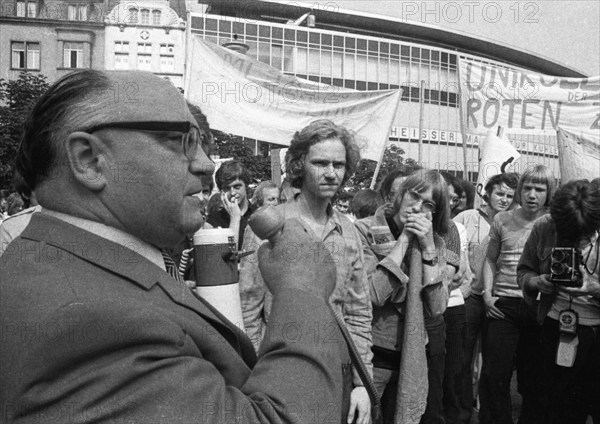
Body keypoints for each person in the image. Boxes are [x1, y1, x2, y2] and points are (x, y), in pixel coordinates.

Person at [0, 69, 351, 423]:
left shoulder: (73, 270)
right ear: (89, 160)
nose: (205, 164)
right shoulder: (87, 322)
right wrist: (301, 289)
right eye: (178, 140)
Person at [238, 119, 375, 424]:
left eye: (338, 164)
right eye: (320, 162)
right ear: (299, 165)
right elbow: (248, 310)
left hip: (337, 370)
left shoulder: (348, 231)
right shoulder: (268, 226)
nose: (330, 172)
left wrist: (361, 382)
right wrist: (263, 372)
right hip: (284, 369)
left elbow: (358, 312)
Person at [355, 170, 452, 424]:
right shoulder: (362, 230)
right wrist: (406, 239)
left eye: (429, 204)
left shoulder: (436, 243)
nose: (418, 207)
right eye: (414, 195)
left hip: (411, 356)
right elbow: (374, 293)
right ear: (400, 194)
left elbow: (437, 307)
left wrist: (428, 247)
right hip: (369, 356)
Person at [518, 179, 600, 424]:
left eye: (582, 236)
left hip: (596, 331)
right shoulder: (545, 226)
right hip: (555, 328)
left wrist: (596, 289)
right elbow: (524, 271)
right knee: (559, 409)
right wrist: (536, 282)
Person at [479, 165, 555, 424]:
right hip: (503, 306)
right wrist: (487, 295)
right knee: (493, 375)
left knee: (532, 377)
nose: (533, 194)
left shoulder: (552, 223)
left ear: (548, 192)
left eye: (540, 189)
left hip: (538, 307)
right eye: (528, 188)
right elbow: (490, 260)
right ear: (519, 191)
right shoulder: (502, 219)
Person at [453, 172, 519, 424]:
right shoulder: (465, 217)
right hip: (469, 298)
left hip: (497, 300)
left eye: (510, 196)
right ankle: (461, 415)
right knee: (462, 359)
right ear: (487, 193)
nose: (504, 199)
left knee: (494, 364)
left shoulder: (512, 222)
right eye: (500, 193)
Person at [208, 159, 255, 249]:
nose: (232, 193)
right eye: (227, 188)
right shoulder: (214, 221)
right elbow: (228, 257)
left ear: (246, 185)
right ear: (221, 190)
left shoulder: (258, 214)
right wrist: (235, 219)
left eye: (237, 187)